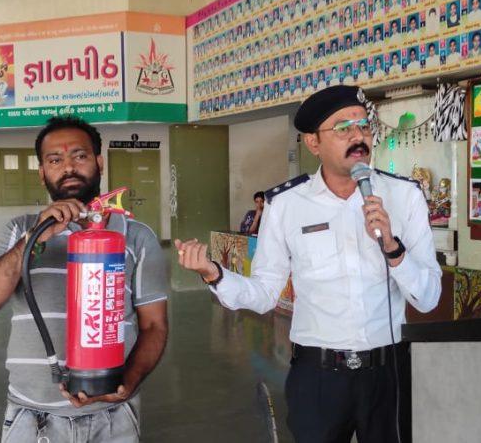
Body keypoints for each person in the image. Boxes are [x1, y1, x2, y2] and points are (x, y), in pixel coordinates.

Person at [175, 86, 442, 443]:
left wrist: (393, 249)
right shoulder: (286, 204)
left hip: (387, 371)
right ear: (313, 143)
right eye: (343, 128)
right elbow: (266, 293)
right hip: (318, 375)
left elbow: (428, 298)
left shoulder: (404, 196)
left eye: (363, 126)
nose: (358, 136)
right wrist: (215, 274)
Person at [0, 116, 168, 442]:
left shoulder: (137, 237)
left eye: (80, 155)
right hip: (31, 417)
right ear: (42, 171)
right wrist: (34, 239)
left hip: (112, 417)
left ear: (99, 162)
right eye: (55, 160)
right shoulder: (20, 230)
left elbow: (154, 326)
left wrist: (128, 382)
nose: (69, 167)